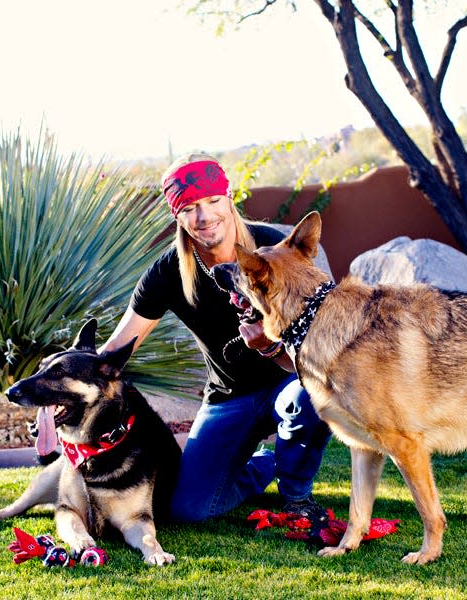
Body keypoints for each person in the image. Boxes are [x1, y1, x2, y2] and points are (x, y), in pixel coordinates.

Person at [98, 152, 332, 523]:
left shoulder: (278, 247)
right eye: (189, 207)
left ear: (229, 199)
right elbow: (116, 349)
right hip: (229, 397)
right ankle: (262, 466)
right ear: (178, 217)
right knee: (189, 509)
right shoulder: (168, 272)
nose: (204, 216)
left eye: (212, 201)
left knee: (309, 395)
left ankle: (296, 495)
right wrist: (64, 383)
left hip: (289, 380)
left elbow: (322, 353)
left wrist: (270, 349)